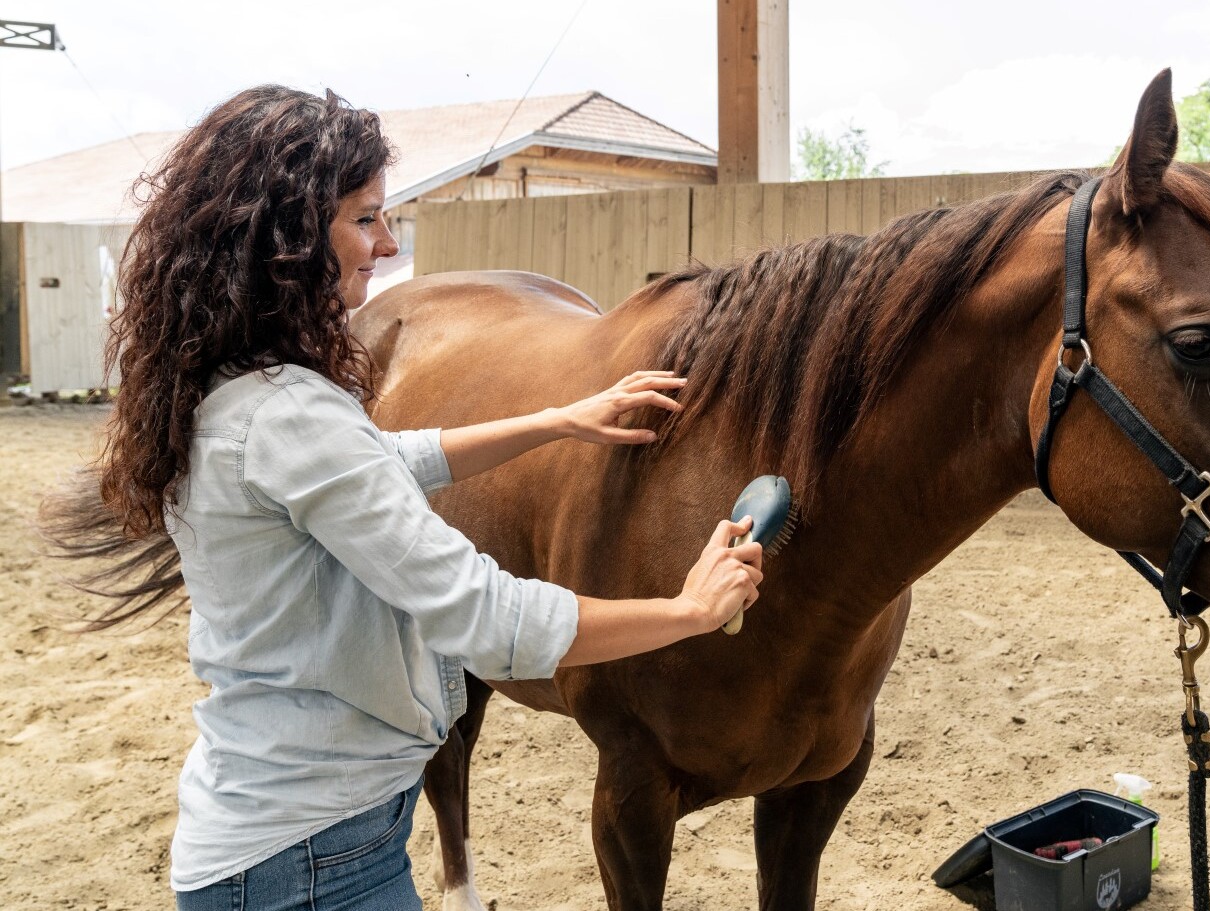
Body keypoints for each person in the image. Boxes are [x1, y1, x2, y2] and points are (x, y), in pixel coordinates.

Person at [46, 85, 763, 910]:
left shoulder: (232, 390)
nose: (387, 244)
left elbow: (379, 461)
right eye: (365, 218)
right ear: (284, 237)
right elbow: (487, 618)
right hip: (314, 862)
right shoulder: (292, 416)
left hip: (273, 838)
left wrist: (558, 419)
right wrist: (688, 610)